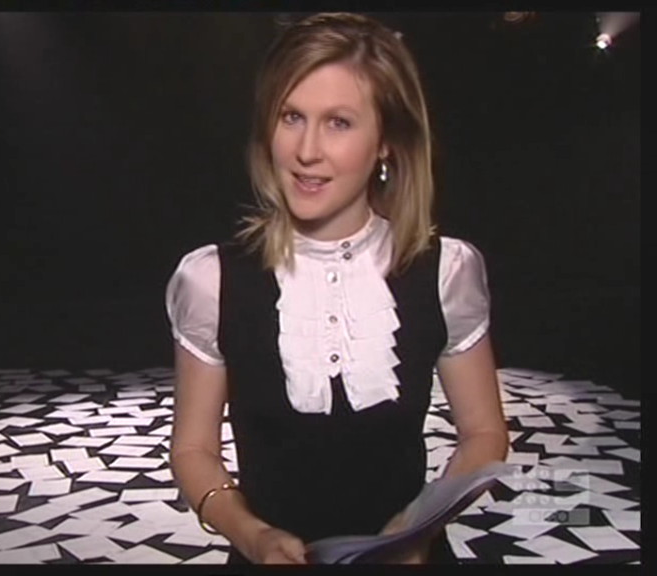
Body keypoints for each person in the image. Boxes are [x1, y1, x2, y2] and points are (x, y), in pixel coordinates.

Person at [165, 12, 508, 565]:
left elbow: (484, 433)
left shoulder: (445, 271)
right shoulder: (212, 280)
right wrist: (251, 535)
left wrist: (418, 530)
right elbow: (192, 448)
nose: (307, 150)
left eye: (339, 123)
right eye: (291, 117)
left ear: (386, 143)